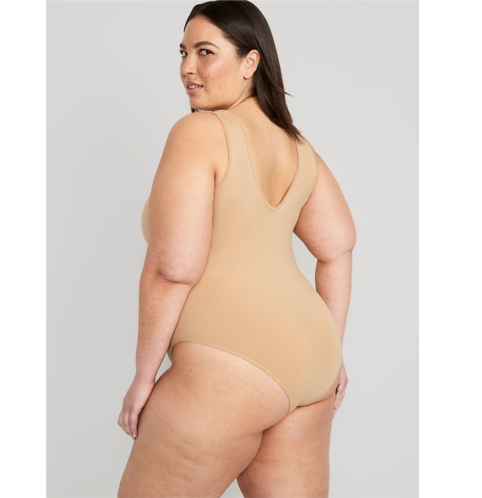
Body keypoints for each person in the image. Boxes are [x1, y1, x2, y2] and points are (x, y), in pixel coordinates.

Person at [117, 0, 356, 496]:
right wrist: (331, 350)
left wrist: (144, 377)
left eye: (206, 52)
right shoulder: (298, 147)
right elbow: (338, 247)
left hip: (230, 363)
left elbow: (173, 268)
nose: (188, 67)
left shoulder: (199, 132)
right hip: (312, 361)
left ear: (251, 62)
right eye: (183, 52)